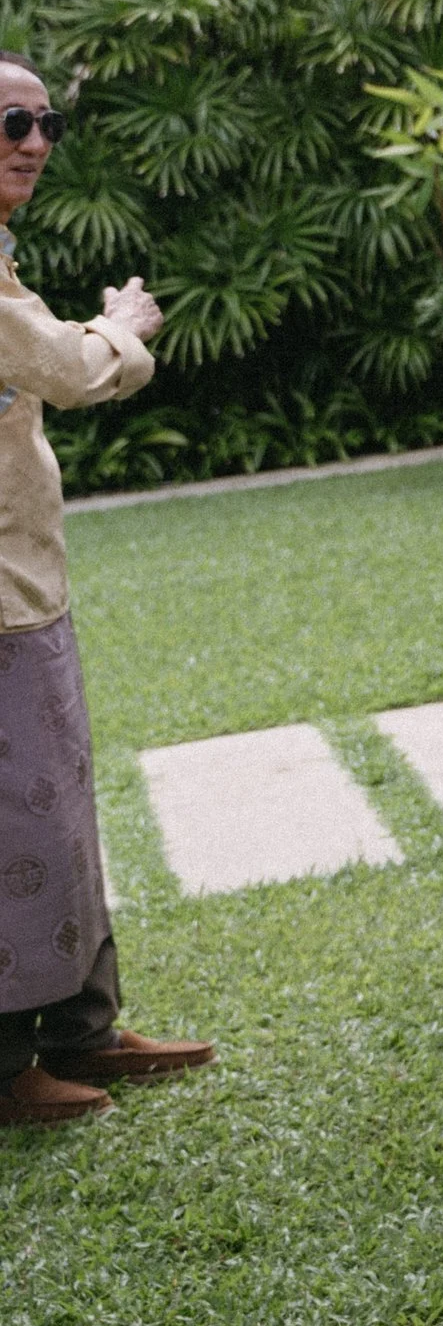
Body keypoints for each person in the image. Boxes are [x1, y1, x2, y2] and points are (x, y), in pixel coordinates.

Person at [0, 62, 214, 1128]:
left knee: (61, 808)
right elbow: (71, 369)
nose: (34, 139)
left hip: (26, 580)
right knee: (14, 828)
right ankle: (9, 1069)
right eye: (11, 121)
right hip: (1, 594)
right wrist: (128, 322)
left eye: (44, 121)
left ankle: (83, 1029)